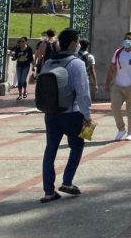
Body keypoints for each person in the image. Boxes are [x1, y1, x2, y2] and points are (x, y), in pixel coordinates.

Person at [39, 27, 92, 203]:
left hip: (51, 113)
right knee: (77, 146)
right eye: (77, 42)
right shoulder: (76, 64)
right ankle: (67, 181)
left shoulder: (49, 63)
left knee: (51, 149)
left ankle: (48, 191)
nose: (78, 45)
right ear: (72, 43)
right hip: (72, 113)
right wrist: (87, 115)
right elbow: (83, 92)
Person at [104, 32, 131, 141]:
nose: (126, 41)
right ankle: (121, 129)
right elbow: (112, 68)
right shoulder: (118, 52)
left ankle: (130, 131)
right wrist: (107, 83)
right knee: (114, 107)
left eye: (129, 39)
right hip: (118, 86)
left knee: (130, 110)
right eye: (125, 38)